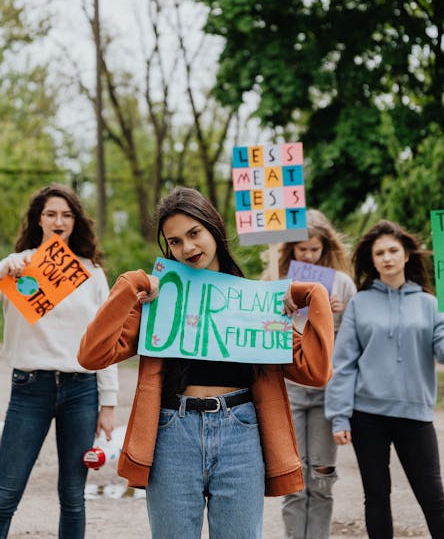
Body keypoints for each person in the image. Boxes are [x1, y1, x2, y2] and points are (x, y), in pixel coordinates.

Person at [78, 186, 334, 539]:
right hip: (172, 433)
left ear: (213, 227)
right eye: (175, 241)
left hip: (240, 433)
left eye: (194, 233)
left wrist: (311, 294)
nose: (187, 248)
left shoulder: (254, 300)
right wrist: (130, 285)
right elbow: (92, 354)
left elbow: (316, 370)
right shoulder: (159, 298)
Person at [0, 184, 118, 539]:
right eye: (50, 214)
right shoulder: (17, 265)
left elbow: (104, 340)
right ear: (38, 220)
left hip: (81, 390)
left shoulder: (92, 272)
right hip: (30, 388)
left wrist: (108, 402)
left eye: (66, 214)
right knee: (5, 495)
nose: (58, 221)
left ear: (76, 221)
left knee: (73, 497)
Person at [325, 219, 444, 539]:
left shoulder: (431, 304)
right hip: (368, 416)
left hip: (415, 414)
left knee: (434, 499)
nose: (387, 257)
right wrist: (339, 417)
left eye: (393, 250)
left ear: (407, 255)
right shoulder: (360, 304)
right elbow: (344, 363)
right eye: (380, 253)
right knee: (376, 497)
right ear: (372, 260)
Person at [272, 209, 356, 539]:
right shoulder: (279, 284)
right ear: (291, 249)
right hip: (290, 394)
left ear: (325, 248)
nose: (308, 255)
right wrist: (278, 307)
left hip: (328, 398)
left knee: (321, 478)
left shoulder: (343, 285)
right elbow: (264, 336)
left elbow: (355, 341)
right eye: (301, 249)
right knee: (294, 482)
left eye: (314, 250)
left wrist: (340, 312)